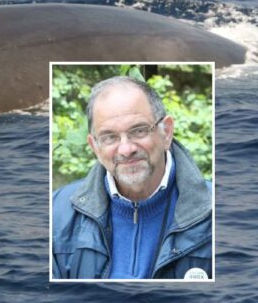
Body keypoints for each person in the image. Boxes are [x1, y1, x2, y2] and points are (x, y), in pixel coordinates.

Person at [52, 76, 212, 279]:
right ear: (95, 147)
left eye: (139, 131)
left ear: (166, 132)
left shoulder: (214, 212)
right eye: (109, 137)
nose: (126, 149)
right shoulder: (56, 214)